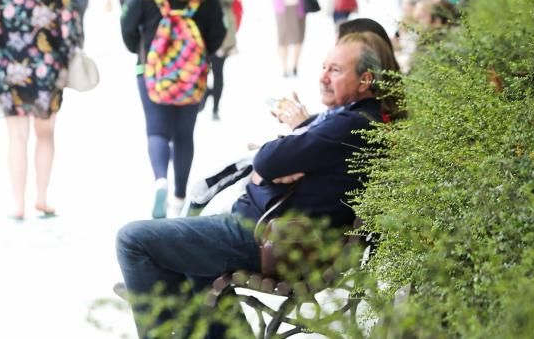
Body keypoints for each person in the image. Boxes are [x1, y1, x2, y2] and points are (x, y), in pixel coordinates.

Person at [115, 32, 398, 339]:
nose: (323, 77)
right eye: (323, 67)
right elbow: (281, 158)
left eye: (336, 70)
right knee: (186, 258)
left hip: (268, 239)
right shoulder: (357, 119)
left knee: (133, 239)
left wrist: (275, 158)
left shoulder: (350, 124)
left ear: (365, 80)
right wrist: (285, 153)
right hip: (275, 232)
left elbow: (267, 160)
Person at [121, 0, 227, 219]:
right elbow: (218, 34)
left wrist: (143, 51)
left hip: (151, 70)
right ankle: (179, 198)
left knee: (156, 130)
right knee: (184, 135)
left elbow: (128, 30)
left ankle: (160, 180)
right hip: (191, 74)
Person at [0, 0, 83, 220]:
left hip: (9, 73)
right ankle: (42, 198)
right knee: (45, 135)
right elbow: (73, 34)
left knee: (17, 138)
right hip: (47, 73)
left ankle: (18, 204)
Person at [198, 0, 238, 121]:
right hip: (199, 30)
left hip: (221, 29)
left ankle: (215, 107)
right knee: (202, 70)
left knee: (219, 69)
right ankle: (204, 96)